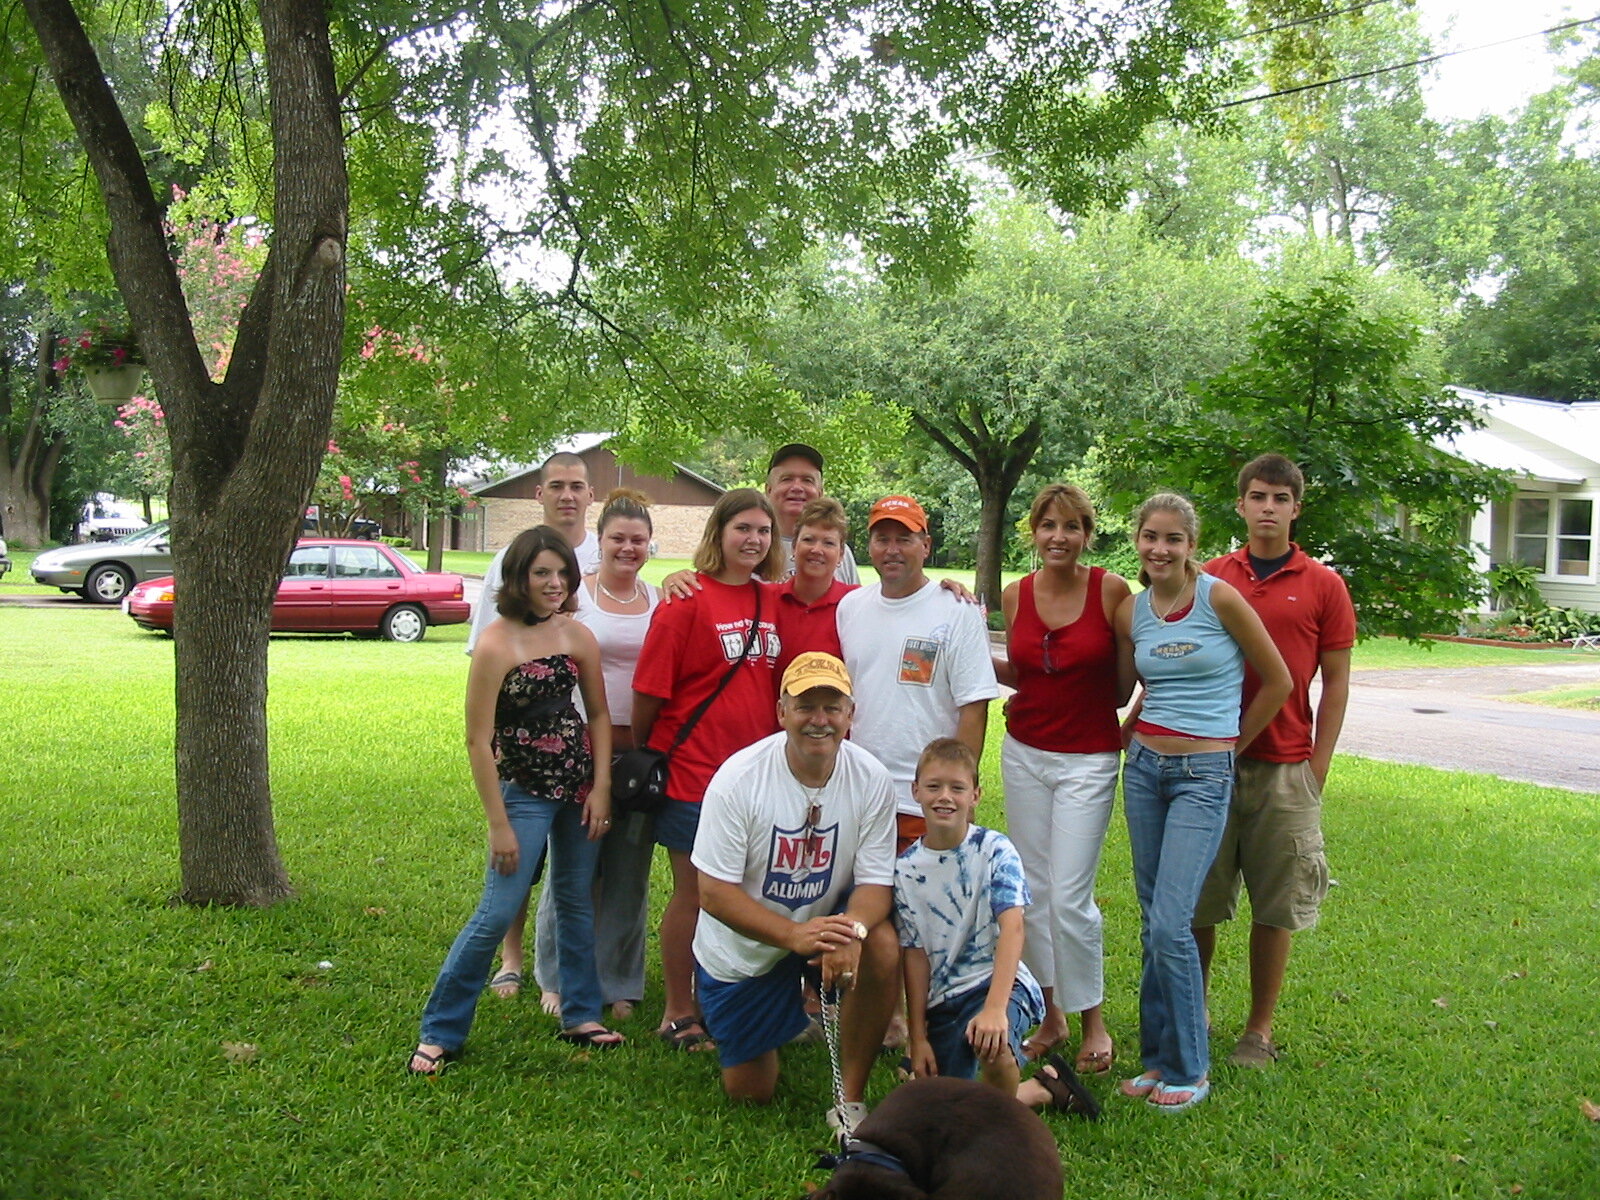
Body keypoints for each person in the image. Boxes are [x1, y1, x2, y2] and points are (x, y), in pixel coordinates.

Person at [408, 527, 618, 1074]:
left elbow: (597, 713)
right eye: (541, 572)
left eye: (562, 573)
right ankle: (441, 1030)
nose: (554, 583)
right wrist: (497, 823)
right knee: (497, 909)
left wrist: (600, 787)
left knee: (574, 900)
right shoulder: (496, 643)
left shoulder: (577, 635)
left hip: (577, 787)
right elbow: (477, 740)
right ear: (519, 578)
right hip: (521, 792)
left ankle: (581, 1014)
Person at [1112, 493, 1290, 1112]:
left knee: (1172, 921)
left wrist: (1231, 745)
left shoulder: (1219, 598)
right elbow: (1131, 686)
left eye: (1172, 539)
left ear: (1191, 545)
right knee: (1149, 918)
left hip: (1202, 775)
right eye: (1149, 537)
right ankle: (1157, 1059)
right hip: (1144, 772)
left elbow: (1279, 680)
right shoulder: (1134, 610)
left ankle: (1190, 1067)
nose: (1159, 549)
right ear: (1137, 540)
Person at [691, 651, 899, 1132]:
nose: (819, 720)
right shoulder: (738, 780)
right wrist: (792, 936)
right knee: (751, 1092)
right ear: (781, 712)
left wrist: (852, 930)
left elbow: (874, 883)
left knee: (881, 944)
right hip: (747, 945)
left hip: (820, 925)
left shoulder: (871, 778)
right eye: (805, 706)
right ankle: (747, 998)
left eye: (832, 707)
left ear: (851, 714)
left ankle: (849, 1099)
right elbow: (713, 893)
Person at [1194, 454, 1356, 1067]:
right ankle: (1195, 1010)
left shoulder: (1323, 586)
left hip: (1286, 766)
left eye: (1280, 498)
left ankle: (1258, 1029)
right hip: (1208, 762)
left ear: (1295, 508)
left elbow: (1336, 681)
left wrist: (1319, 764)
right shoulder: (1210, 576)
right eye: (1257, 496)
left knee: (1277, 902)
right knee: (1198, 899)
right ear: (1240, 505)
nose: (1268, 507)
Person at [633, 488, 785, 1051]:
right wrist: (657, 750)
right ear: (718, 532)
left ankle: (730, 994)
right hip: (694, 774)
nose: (754, 540)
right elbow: (649, 692)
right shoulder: (686, 600)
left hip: (755, 781)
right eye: (743, 528)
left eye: (764, 531)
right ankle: (679, 1008)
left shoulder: (772, 601)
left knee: (748, 895)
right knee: (694, 893)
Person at [993, 484, 1130, 1077]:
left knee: (1072, 897)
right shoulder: (1015, 594)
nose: (1058, 537)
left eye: (1070, 527)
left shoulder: (1112, 591)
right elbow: (1022, 671)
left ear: (1086, 535)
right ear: (1034, 531)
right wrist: (959, 636)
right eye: (1048, 525)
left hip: (1088, 760)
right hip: (1024, 752)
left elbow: (1128, 682)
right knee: (1035, 891)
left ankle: (1093, 1020)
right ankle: (1052, 1017)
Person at [895, 738, 1099, 1119]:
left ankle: (997, 1129)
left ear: (975, 795)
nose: (945, 797)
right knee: (940, 1108)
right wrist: (917, 1037)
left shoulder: (994, 850)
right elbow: (915, 954)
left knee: (993, 1046)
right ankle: (1043, 1089)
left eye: (957, 788)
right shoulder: (905, 871)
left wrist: (994, 1010)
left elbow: (1013, 929)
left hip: (999, 986)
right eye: (934, 786)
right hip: (944, 1001)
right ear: (915, 791)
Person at [519, 490, 662, 1023]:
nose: (628, 548)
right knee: (574, 872)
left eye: (637, 540)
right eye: (618, 539)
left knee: (628, 873)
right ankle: (555, 976)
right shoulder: (579, 599)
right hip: (578, 752)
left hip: (640, 757)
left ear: (650, 545)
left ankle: (618, 980)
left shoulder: (661, 599)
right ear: (599, 543)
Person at [836, 494, 998, 852]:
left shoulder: (957, 611)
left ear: (925, 546)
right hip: (861, 795)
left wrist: (959, 792)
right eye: (882, 539)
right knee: (863, 903)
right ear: (870, 547)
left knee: (922, 905)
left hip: (924, 799)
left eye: (904, 539)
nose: (892, 549)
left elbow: (974, 707)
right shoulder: (850, 608)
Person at [466, 451, 601, 654]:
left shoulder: (606, 557)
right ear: (539, 494)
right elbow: (484, 645)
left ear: (590, 495)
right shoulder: (511, 558)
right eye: (556, 486)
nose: (567, 496)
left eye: (576, 487)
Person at [765, 442, 860, 583]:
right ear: (768, 490)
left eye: (807, 480)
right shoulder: (755, 547)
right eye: (787, 479)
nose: (797, 487)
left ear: (820, 493)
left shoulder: (838, 551)